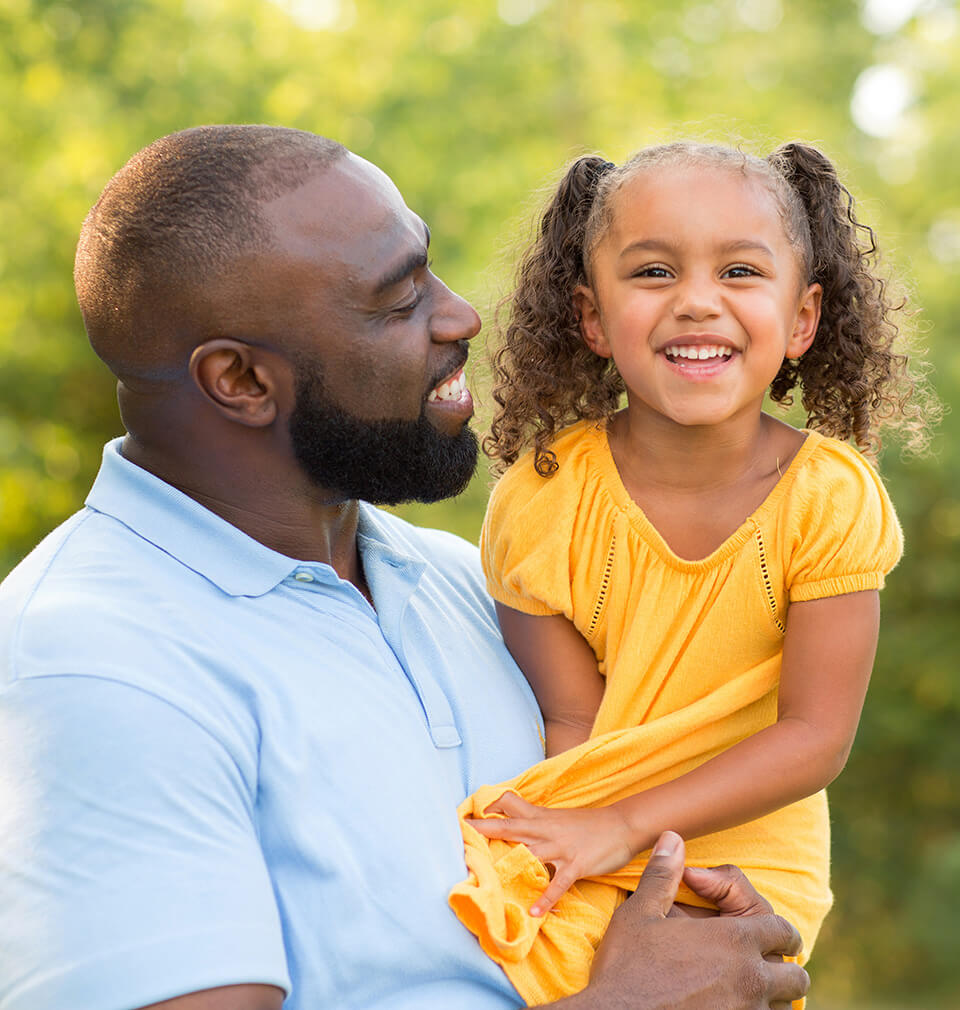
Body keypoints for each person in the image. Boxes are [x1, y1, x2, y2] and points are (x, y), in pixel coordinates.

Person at [0, 125, 810, 1010]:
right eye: (399, 301)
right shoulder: (92, 666)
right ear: (240, 380)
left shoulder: (467, 584)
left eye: (429, 269)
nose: (462, 316)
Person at [449, 142, 931, 1005]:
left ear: (803, 319)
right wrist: (583, 844)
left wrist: (626, 831)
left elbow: (815, 737)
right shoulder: (542, 497)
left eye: (741, 270)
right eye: (654, 272)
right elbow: (575, 724)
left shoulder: (828, 499)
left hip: (749, 854)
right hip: (595, 824)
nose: (698, 302)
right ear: (593, 319)